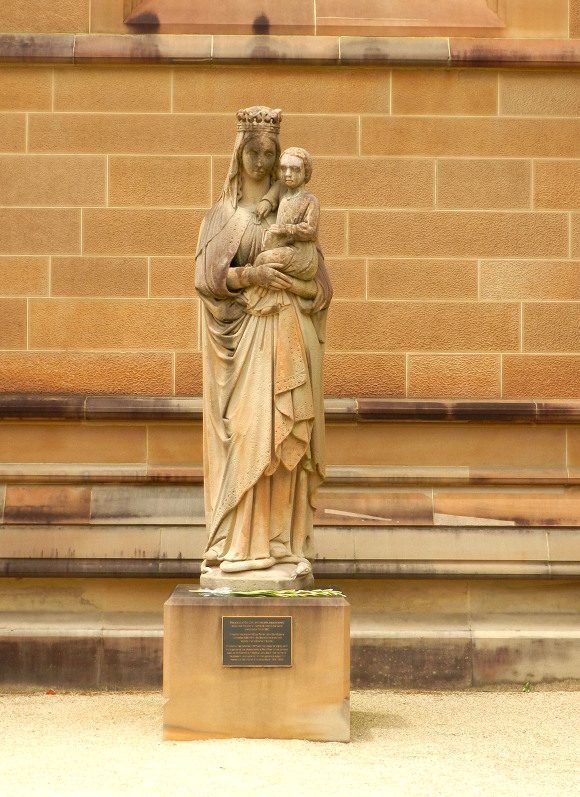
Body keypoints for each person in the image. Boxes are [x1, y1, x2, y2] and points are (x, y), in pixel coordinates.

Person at [195, 106, 332, 580]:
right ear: (239, 155)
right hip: (245, 340)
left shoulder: (295, 210)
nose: (260, 161)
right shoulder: (221, 216)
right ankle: (240, 544)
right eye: (251, 152)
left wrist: (292, 284)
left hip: (288, 333)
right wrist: (252, 275)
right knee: (251, 432)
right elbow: (207, 279)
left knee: (286, 434)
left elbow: (321, 286)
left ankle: (280, 544)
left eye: (268, 154)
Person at [243, 146, 319, 316]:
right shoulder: (282, 190)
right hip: (284, 249)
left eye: (294, 169)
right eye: (284, 169)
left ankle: (257, 301)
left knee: (262, 260)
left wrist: (286, 229)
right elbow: (274, 192)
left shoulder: (309, 200)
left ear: (305, 172)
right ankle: (269, 302)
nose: (288, 174)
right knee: (267, 267)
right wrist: (267, 202)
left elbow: (311, 230)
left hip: (302, 255)